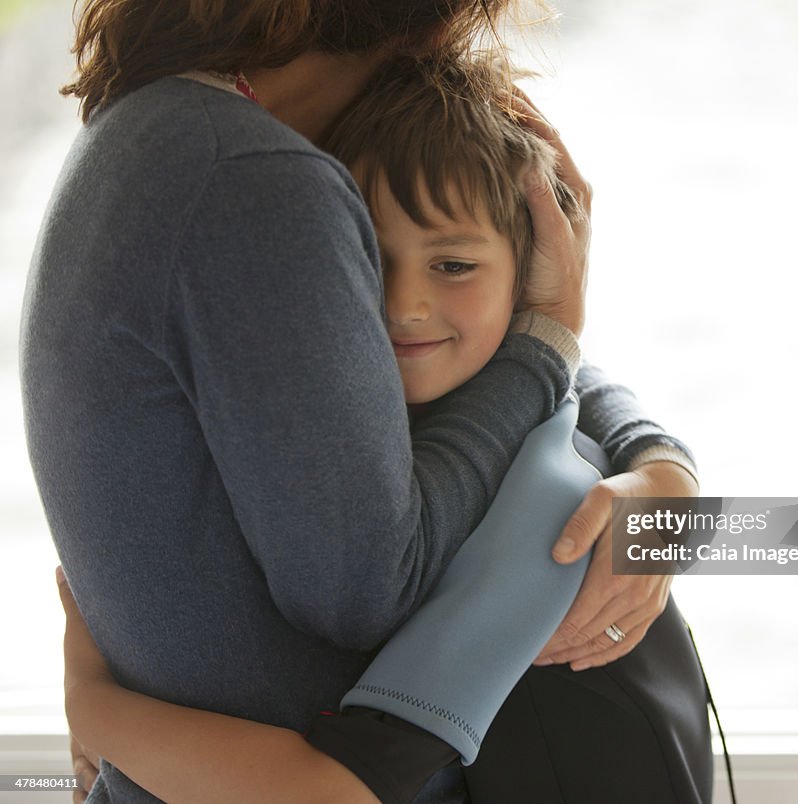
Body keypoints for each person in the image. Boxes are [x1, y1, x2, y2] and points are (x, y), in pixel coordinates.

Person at [24, 2, 700, 801]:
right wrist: (551, 346)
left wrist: (661, 463)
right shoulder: (255, 181)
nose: (402, 305)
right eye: (367, 264)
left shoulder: (151, 134)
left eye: (454, 264)